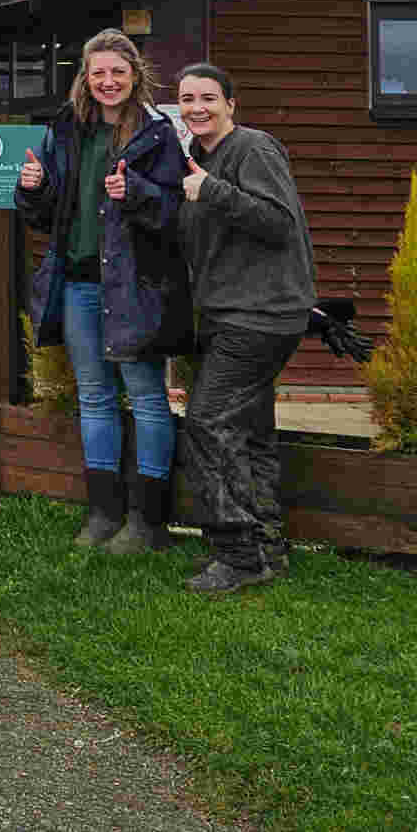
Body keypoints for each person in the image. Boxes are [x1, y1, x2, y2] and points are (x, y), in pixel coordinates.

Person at [16, 30, 191, 554]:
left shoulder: (157, 134)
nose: (108, 81)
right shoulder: (67, 128)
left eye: (118, 72)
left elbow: (175, 212)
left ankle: (148, 521)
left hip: (135, 286)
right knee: (94, 397)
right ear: (85, 78)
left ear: (135, 75)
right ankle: (103, 512)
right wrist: (32, 188)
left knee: (147, 397)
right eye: (99, 73)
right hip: (78, 283)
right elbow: (48, 212)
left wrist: (136, 193)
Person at [175, 63, 316, 595]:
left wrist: (212, 190)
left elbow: (279, 223)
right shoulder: (200, 158)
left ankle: (237, 555)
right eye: (187, 99)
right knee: (250, 430)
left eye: (208, 98)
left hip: (260, 316)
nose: (197, 108)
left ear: (231, 104)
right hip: (229, 313)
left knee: (207, 422)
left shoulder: (253, 149)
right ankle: (267, 548)